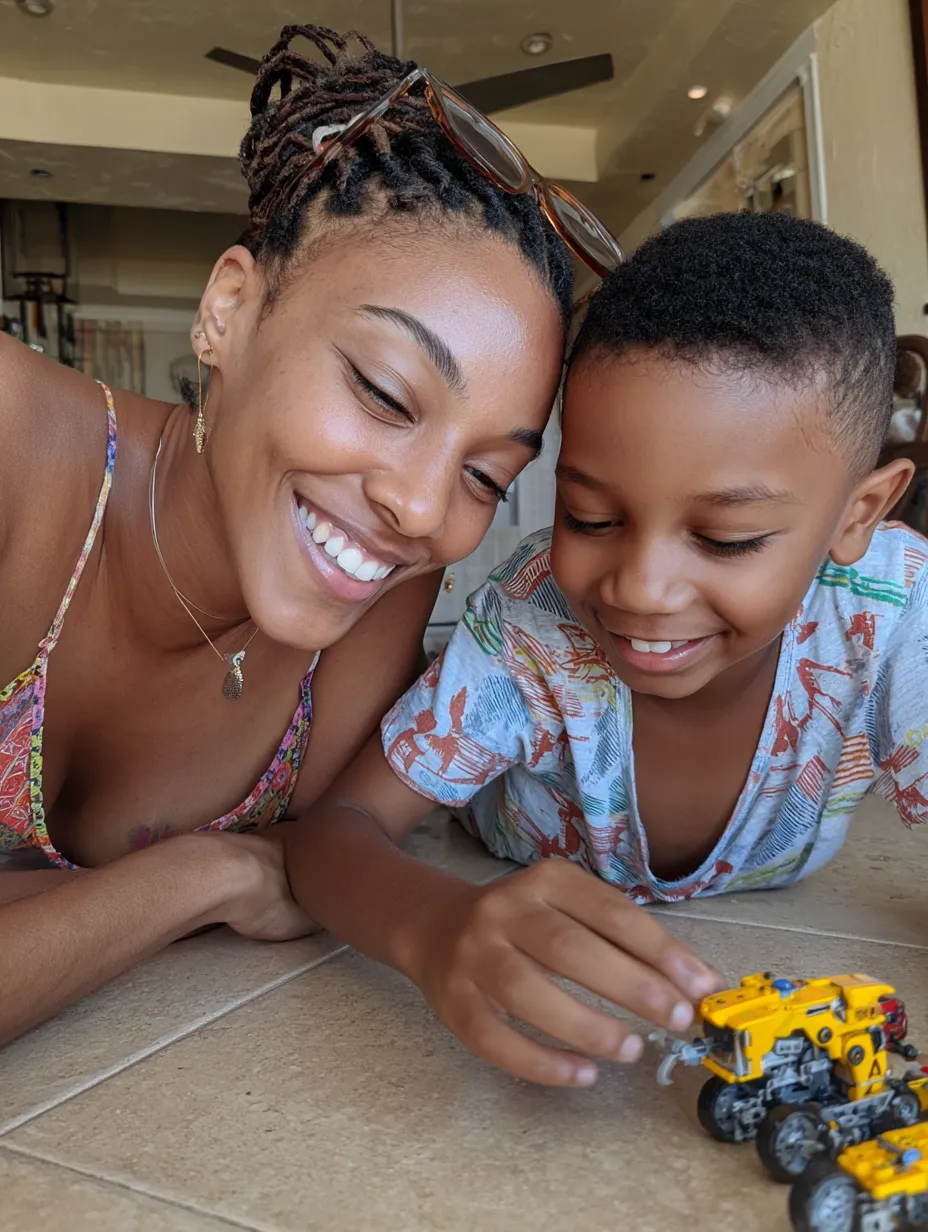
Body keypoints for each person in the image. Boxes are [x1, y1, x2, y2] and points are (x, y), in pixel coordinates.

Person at [0, 23, 629, 1046]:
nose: (423, 511)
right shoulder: (12, 452)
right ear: (229, 309)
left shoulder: (380, 593)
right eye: (385, 392)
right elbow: (257, 878)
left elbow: (318, 860)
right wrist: (200, 875)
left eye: (486, 472)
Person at [285, 211, 925, 1090]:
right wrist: (429, 923)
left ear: (859, 514)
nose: (638, 588)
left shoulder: (891, 608)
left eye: (728, 537)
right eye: (591, 517)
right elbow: (334, 832)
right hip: (506, 833)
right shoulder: (532, 630)